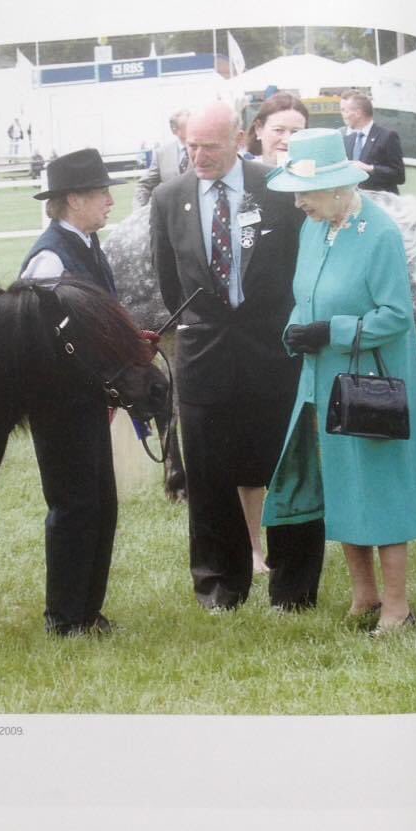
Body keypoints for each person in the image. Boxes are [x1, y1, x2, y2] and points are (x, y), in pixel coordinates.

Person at [263, 127, 416, 633]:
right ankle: (363, 595)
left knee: (379, 489)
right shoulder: (314, 229)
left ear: (340, 187)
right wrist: (295, 332)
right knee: (342, 488)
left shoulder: (380, 232)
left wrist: (334, 330)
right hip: (322, 381)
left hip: (370, 386)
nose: (298, 203)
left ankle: (397, 605)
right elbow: (306, 297)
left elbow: (396, 316)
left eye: (306, 192)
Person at [150, 101, 325, 612]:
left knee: (288, 470)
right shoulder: (169, 197)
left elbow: (299, 268)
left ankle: (293, 588)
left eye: (209, 146)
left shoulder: (275, 187)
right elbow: (170, 282)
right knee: (207, 476)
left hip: (274, 352)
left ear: (238, 139)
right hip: (204, 356)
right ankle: (220, 585)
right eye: (191, 147)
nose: (199, 156)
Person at [19, 148, 128, 636]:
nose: (109, 200)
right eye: (101, 192)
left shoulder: (87, 243)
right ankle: (63, 616)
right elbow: (35, 337)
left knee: (101, 503)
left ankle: (87, 609)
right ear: (74, 199)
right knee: (74, 506)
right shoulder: (49, 257)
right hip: (60, 402)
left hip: (89, 397)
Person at [233, 92, 310, 571]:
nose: (287, 138)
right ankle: (254, 547)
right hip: (249, 340)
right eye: (279, 128)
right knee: (251, 450)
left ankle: (299, 545)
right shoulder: (243, 189)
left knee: (297, 447)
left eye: (297, 130)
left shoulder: (314, 187)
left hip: (301, 334)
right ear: (259, 130)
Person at [339, 91, 405, 194]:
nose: (343, 115)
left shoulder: (387, 136)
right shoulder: (344, 137)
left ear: (358, 113)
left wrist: (370, 168)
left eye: (344, 111)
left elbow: (399, 176)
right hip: (353, 204)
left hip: (380, 203)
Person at [133, 108, 190, 208]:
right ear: (175, 130)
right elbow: (144, 186)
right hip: (172, 216)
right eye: (188, 125)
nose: (194, 128)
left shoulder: (205, 149)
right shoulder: (162, 154)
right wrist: (138, 210)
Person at [244, 92, 309, 166]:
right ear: (259, 129)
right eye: (278, 130)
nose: (287, 141)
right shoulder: (242, 174)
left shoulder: (315, 174)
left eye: (295, 132)